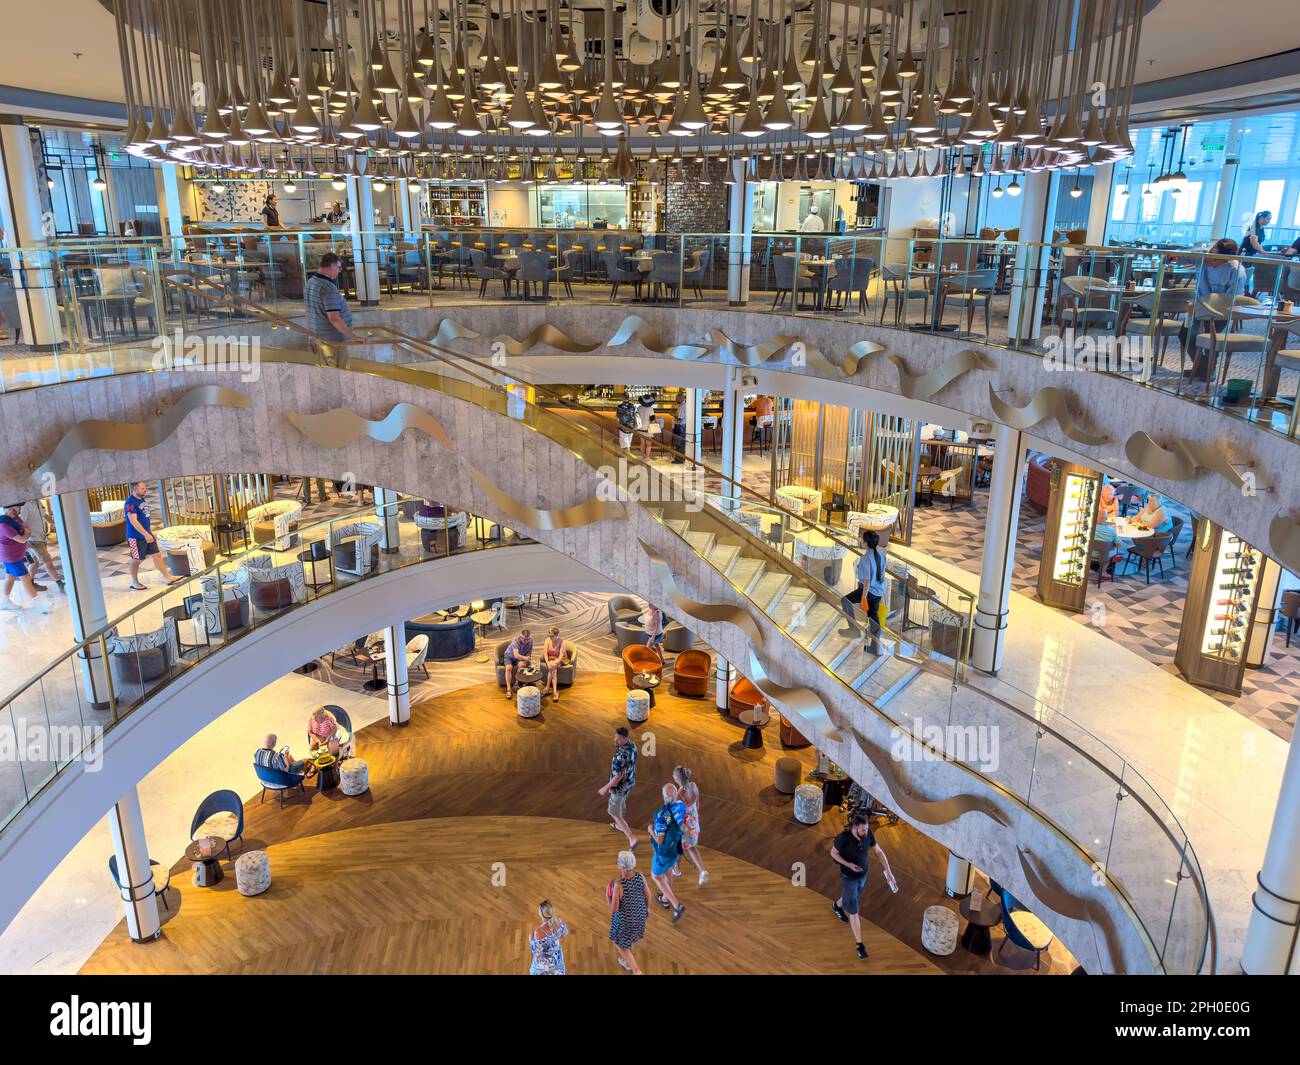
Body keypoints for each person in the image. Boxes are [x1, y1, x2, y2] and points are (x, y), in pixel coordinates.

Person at [830, 812, 894, 960]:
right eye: (863, 830)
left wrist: (889, 872)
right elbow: (833, 853)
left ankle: (837, 906)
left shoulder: (868, 833)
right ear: (855, 828)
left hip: (862, 876)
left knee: (850, 899)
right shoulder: (843, 839)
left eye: (866, 829)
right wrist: (848, 865)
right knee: (854, 910)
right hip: (849, 878)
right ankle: (860, 945)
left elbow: (878, 851)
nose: (866, 832)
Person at [123, 481, 180, 590]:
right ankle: (135, 582)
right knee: (136, 559)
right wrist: (145, 534)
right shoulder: (130, 503)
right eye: (142, 488)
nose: (145, 490)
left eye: (145, 487)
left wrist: (149, 532)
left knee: (157, 555)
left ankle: (167, 577)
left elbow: (143, 517)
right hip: (136, 537)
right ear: (135, 489)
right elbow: (133, 521)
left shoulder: (141, 499)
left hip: (147, 534)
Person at [840, 529, 886, 654]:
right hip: (879, 591)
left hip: (869, 591)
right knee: (872, 615)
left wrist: (863, 597)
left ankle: (854, 630)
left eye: (862, 539)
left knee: (845, 601)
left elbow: (866, 582)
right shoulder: (881, 554)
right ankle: (874, 645)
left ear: (866, 543)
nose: (861, 540)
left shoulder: (865, 559)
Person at [0, 503, 52, 613]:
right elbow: (22, 539)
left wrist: (26, 534)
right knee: (26, 578)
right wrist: (26, 535)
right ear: (9, 507)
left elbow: (27, 529)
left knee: (10, 577)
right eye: (17, 507)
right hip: (11, 557)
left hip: (16, 555)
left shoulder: (15, 518)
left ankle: (4, 601)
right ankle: (40, 605)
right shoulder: (4, 525)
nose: (19, 509)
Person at [305, 252, 363, 349]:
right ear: (332, 266)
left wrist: (310, 337)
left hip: (319, 338)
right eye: (339, 267)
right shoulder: (328, 287)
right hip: (333, 341)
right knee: (338, 364)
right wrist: (354, 337)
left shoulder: (311, 282)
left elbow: (308, 314)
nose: (340, 271)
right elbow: (334, 318)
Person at [648, 783, 687, 922]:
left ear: (664, 797)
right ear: (675, 795)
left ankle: (676, 905)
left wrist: (651, 831)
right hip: (676, 847)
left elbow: (659, 840)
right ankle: (664, 899)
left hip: (663, 852)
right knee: (669, 871)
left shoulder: (661, 814)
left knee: (656, 876)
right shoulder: (681, 806)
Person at [608, 849, 652, 973]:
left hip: (626, 921)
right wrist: (647, 909)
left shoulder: (618, 884)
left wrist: (608, 897)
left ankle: (636, 970)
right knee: (630, 938)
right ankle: (627, 961)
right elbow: (648, 895)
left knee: (619, 943)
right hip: (640, 916)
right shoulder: (640, 876)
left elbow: (614, 909)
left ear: (621, 865)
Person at [599, 725, 638, 849]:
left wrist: (606, 787)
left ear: (623, 738)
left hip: (619, 787)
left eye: (617, 738)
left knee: (613, 811)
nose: (614, 740)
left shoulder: (621, 756)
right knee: (621, 804)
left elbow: (617, 777)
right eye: (615, 737)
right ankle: (621, 825)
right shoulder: (632, 745)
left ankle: (632, 838)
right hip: (629, 782)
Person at [673, 765, 709, 886]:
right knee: (691, 847)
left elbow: (678, 814)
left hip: (685, 825)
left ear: (678, 778)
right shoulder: (693, 786)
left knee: (679, 847)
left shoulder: (679, 794)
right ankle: (701, 870)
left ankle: (677, 870)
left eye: (674, 775)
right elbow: (697, 805)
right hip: (694, 821)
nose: (673, 777)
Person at [19, 499, 62, 591]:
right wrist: (26, 536)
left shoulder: (39, 502)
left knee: (35, 562)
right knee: (47, 561)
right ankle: (60, 584)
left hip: (41, 538)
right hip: (34, 540)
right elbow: (21, 522)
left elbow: (44, 515)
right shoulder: (25, 505)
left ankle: (29, 584)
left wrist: (56, 523)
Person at [528, 900, 569, 975]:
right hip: (557, 961)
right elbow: (565, 933)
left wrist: (531, 939)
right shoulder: (559, 922)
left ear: (541, 914)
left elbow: (537, 952)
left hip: (544, 966)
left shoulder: (539, 932)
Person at [502, 628, 534, 699]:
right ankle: (508, 689)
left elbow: (529, 652)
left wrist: (526, 660)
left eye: (527, 639)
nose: (526, 641)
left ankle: (516, 684)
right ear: (521, 636)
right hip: (509, 656)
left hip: (520, 657)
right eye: (524, 639)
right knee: (508, 668)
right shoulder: (515, 641)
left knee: (522, 665)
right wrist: (525, 658)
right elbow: (516, 655)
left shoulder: (530, 641)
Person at [541, 626, 566, 702]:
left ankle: (547, 688)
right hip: (550, 659)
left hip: (559, 659)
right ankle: (555, 692)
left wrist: (556, 662)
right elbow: (545, 653)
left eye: (552, 636)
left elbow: (561, 655)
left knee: (553, 667)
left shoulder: (561, 641)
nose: (551, 638)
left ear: (557, 635)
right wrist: (548, 662)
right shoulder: (547, 640)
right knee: (552, 667)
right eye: (550, 636)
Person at [635, 394, 659, 461]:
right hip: (648, 429)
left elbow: (636, 417)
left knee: (642, 443)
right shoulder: (650, 409)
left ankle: (643, 456)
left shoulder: (639, 408)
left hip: (640, 428)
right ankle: (647, 457)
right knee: (648, 444)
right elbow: (652, 420)